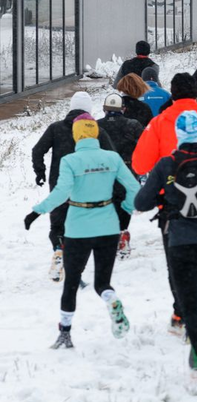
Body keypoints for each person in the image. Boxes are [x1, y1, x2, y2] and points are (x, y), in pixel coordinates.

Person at [134, 111, 197, 395]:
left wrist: (163, 194)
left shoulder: (166, 164)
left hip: (180, 240)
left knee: (189, 300)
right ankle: (196, 355)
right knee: (195, 294)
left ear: (179, 136)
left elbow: (140, 202)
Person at [24, 114, 139, 348]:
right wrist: (126, 208)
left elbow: (61, 192)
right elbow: (134, 187)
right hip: (108, 226)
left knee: (72, 283)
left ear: (77, 135)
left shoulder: (70, 161)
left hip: (77, 228)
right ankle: (111, 299)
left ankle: (65, 333)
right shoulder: (112, 158)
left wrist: (37, 211)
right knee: (102, 283)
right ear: (96, 133)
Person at [32, 91, 116, 282]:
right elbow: (112, 154)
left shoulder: (55, 129)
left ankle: (59, 249)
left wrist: (40, 172)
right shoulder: (96, 131)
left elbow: (37, 150)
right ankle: (75, 266)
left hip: (59, 184)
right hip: (87, 187)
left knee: (58, 223)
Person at [97, 93, 143, 260]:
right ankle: (123, 232)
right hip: (127, 169)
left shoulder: (97, 126)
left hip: (103, 171)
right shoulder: (133, 125)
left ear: (104, 109)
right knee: (124, 203)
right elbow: (144, 145)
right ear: (123, 109)